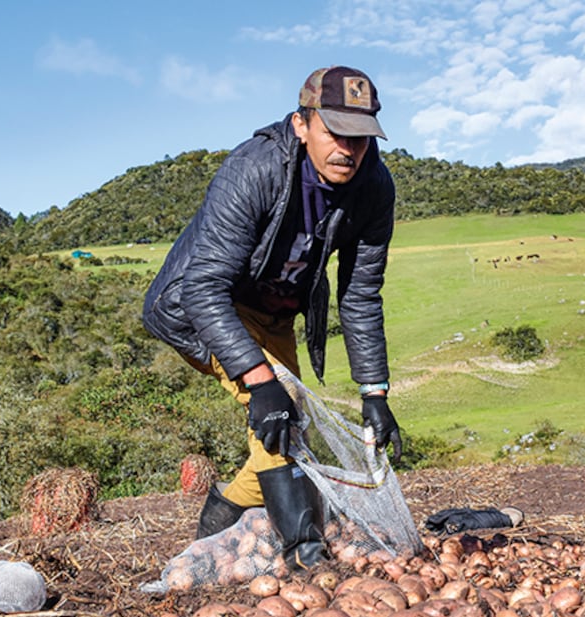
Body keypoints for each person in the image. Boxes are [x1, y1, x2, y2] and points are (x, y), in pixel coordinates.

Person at [142, 66, 403, 570]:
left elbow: (361, 294)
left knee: (287, 426)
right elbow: (203, 286)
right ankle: (306, 557)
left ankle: (215, 530)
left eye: (361, 139)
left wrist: (375, 393)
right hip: (210, 308)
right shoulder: (255, 168)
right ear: (302, 124)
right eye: (336, 134)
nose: (348, 150)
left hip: (276, 314)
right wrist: (261, 383)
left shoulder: (373, 188)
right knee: (278, 415)